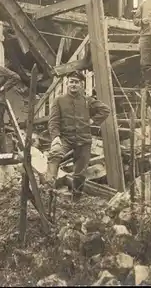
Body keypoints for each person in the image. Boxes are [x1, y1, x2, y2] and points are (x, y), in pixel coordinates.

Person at [46, 70, 110, 201]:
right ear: (67, 83)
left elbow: (105, 110)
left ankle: (76, 199)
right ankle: (48, 190)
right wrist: (56, 137)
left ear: (81, 84)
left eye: (76, 82)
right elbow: (53, 121)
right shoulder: (59, 100)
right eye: (71, 82)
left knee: (80, 173)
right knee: (54, 154)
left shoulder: (87, 101)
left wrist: (93, 121)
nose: (73, 85)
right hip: (65, 138)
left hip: (83, 140)